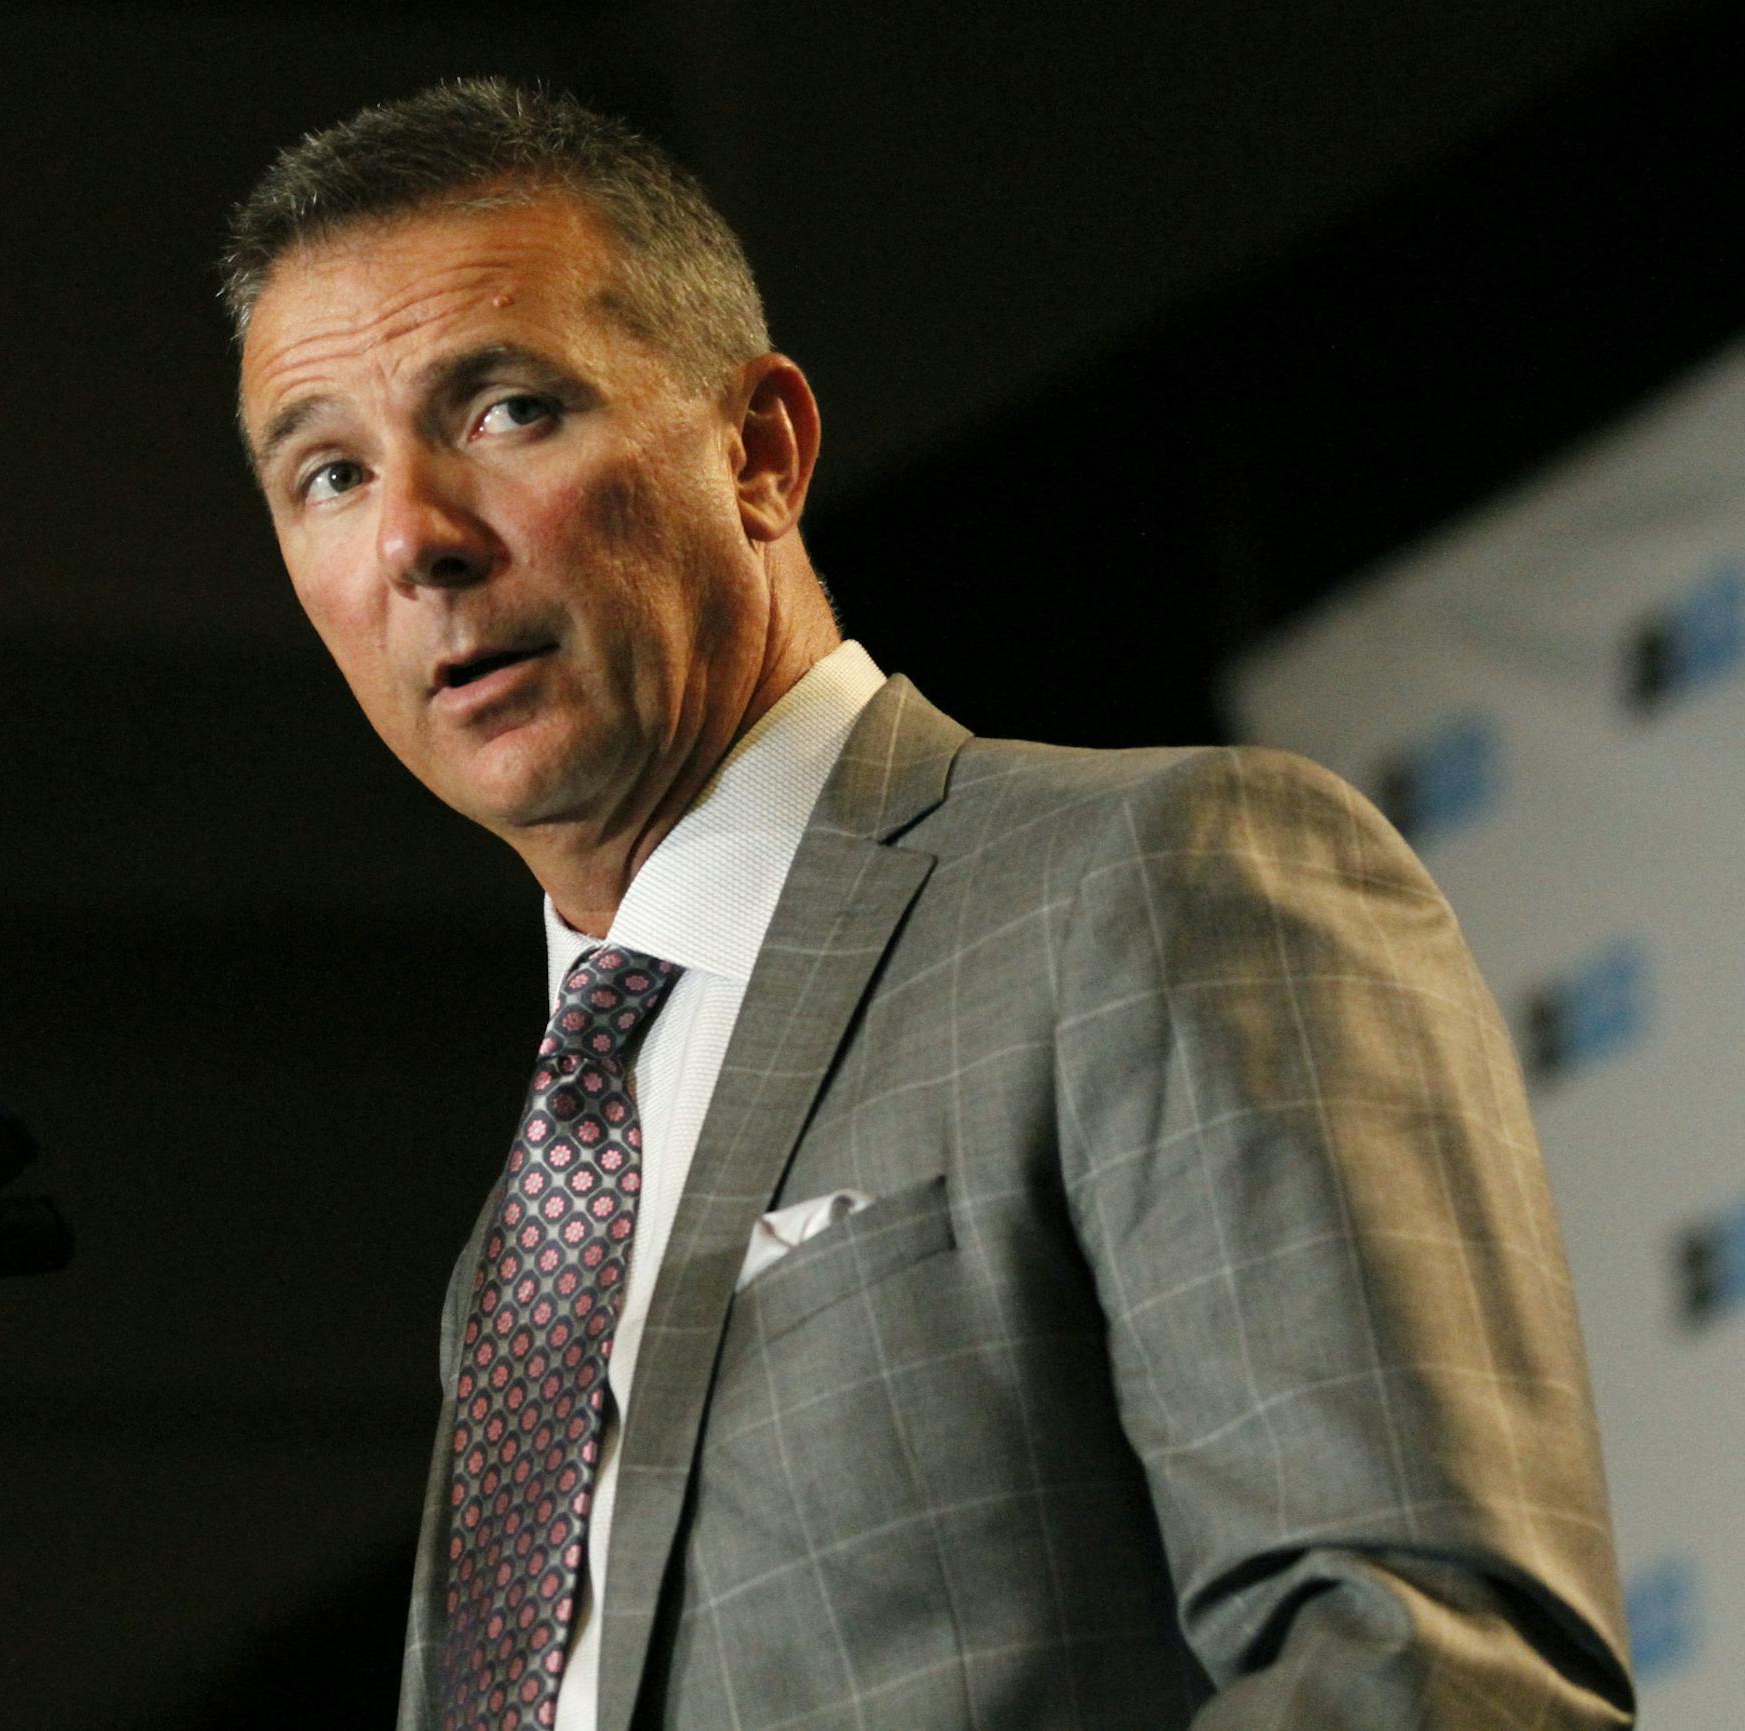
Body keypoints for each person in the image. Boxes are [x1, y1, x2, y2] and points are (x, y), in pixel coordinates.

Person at [222, 78, 1635, 1731]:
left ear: (760, 452)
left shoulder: (1154, 886)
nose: (414, 538)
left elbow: (1423, 1672)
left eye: (508, 409)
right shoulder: (517, 1256)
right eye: (326, 474)